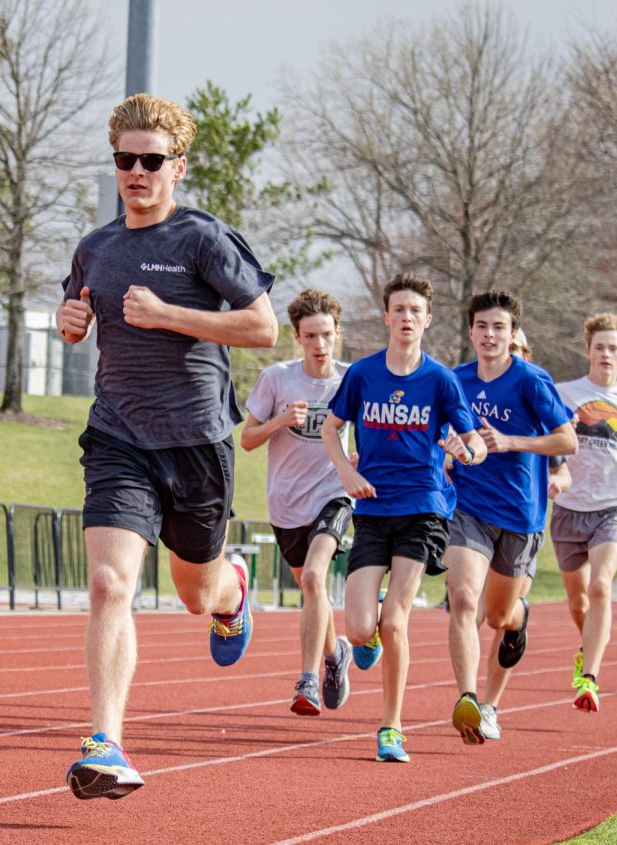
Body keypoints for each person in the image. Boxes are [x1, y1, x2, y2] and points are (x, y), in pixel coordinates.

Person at [58, 93, 277, 799]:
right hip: (120, 436)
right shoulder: (95, 248)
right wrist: (69, 320)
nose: (137, 171)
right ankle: (105, 740)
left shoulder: (204, 240)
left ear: (176, 167)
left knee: (194, 593)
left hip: (197, 443)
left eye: (151, 160)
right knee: (108, 583)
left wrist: (169, 316)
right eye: (126, 159)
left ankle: (231, 589)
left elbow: (262, 327)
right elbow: (80, 314)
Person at [321, 272, 486, 763]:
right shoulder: (363, 374)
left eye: (417, 311)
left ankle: (391, 728)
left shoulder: (440, 379)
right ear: (386, 317)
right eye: (400, 310)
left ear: (427, 320)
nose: (408, 318)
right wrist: (347, 472)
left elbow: (474, 441)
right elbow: (332, 430)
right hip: (371, 507)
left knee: (394, 621)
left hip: (423, 508)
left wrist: (467, 449)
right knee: (357, 628)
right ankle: (362, 642)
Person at [443, 292, 575, 744]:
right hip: (469, 507)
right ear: (471, 331)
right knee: (462, 599)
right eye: (482, 326)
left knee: (499, 618)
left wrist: (511, 441)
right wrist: (446, 451)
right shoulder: (455, 380)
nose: (490, 335)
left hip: (520, 514)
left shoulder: (532, 381)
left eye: (499, 327)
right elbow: (442, 432)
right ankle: (470, 701)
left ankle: (519, 617)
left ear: (512, 333)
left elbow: (567, 442)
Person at [241, 289, 353, 716]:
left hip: (333, 495)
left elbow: (373, 431)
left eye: (326, 335)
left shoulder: (350, 379)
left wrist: (360, 460)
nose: (320, 345)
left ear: (338, 334)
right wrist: (281, 421)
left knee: (312, 580)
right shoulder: (277, 379)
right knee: (313, 589)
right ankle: (333, 655)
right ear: (297, 337)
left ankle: (306, 680)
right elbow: (247, 440)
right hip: (286, 503)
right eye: (311, 336)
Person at [550, 313, 617, 713]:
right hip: (569, 508)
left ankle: (589, 677)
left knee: (601, 587)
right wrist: (555, 473)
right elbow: (549, 437)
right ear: (587, 351)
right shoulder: (563, 393)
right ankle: (586, 647)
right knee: (579, 604)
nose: (606, 354)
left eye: (613, 348)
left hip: (613, 506)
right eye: (600, 347)